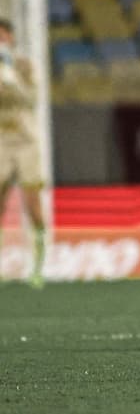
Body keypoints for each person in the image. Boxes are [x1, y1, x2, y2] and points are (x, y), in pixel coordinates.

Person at [0, 18, 46, 288]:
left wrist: (11, 79)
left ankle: (38, 266)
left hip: (26, 141)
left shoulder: (25, 65)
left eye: (3, 36)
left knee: (32, 203)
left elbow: (32, 99)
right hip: (1, 142)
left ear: (12, 38)